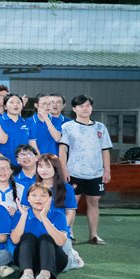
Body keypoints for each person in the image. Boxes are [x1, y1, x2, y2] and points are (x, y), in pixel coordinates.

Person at [59, 95, 112, 245]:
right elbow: (62, 150)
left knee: (94, 202)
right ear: (74, 109)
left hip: (95, 173)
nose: (85, 108)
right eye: (81, 106)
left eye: (88, 105)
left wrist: (107, 170)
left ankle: (94, 235)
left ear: (91, 108)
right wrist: (64, 169)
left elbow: (105, 150)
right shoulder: (67, 127)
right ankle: (70, 234)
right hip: (74, 172)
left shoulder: (100, 127)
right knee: (72, 204)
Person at [10, 183, 70, 279]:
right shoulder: (20, 214)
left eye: (43, 195)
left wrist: (44, 217)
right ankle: (27, 274)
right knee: (28, 237)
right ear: (28, 199)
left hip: (54, 260)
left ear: (50, 199)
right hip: (27, 260)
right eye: (34, 195)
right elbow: (15, 240)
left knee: (45, 238)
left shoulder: (58, 215)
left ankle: (45, 276)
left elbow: (61, 242)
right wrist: (23, 216)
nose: (38, 199)